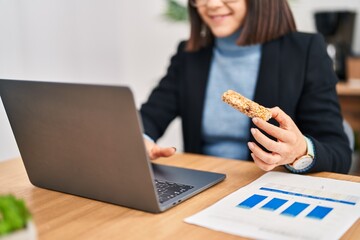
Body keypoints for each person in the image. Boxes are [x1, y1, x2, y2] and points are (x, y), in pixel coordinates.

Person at [140, 0, 352, 174]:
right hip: (204, 184)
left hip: (265, 189)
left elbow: (339, 152)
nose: (211, 4)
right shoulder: (189, 55)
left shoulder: (305, 51)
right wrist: (142, 140)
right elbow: (150, 117)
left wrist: (301, 151)